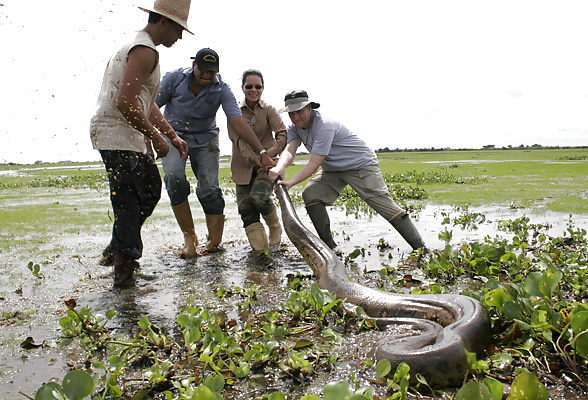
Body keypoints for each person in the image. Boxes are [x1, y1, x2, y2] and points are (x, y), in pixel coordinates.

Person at [90, 0, 192, 287]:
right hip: (116, 134)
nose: (179, 37)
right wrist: (156, 137)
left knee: (148, 189)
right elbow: (125, 103)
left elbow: (144, 104)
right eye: (178, 29)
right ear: (163, 22)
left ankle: (119, 247)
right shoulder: (144, 52)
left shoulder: (143, 50)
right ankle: (124, 273)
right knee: (129, 202)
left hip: (125, 134)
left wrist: (170, 135)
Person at [268, 90, 425, 252]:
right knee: (311, 195)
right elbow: (289, 150)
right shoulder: (294, 128)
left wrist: (290, 183)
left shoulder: (325, 126)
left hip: (360, 165)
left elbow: (313, 164)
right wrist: (279, 167)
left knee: (385, 207)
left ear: (309, 108)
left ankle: (421, 249)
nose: (295, 117)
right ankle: (330, 249)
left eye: (299, 112)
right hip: (333, 169)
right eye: (291, 114)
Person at [156, 48, 276, 257]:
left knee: (209, 187)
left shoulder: (222, 89)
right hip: (172, 134)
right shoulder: (174, 79)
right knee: (174, 178)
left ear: (216, 72)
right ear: (194, 66)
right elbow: (150, 107)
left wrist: (263, 152)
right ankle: (189, 237)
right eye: (202, 70)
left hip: (205, 138)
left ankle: (214, 240)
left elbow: (238, 122)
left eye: (211, 72)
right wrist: (154, 137)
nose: (206, 76)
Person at [228, 69, 287, 251]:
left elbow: (282, 134)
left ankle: (275, 227)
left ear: (262, 88)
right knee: (246, 210)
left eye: (257, 86)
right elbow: (238, 141)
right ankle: (261, 253)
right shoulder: (234, 112)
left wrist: (269, 154)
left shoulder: (269, 110)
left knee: (259, 198)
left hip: (267, 167)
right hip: (242, 166)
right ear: (243, 88)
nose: (253, 90)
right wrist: (257, 157)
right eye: (249, 86)